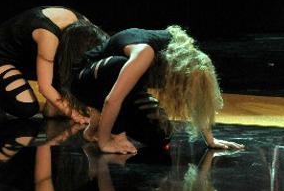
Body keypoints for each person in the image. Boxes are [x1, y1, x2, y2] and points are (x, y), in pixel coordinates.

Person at [71, 26, 243, 154]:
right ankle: (109, 133)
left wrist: (210, 140)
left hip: (105, 84)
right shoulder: (144, 52)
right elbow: (112, 99)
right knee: (120, 67)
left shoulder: (180, 50)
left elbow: (195, 94)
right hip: (82, 80)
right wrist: (107, 142)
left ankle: (94, 129)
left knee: (160, 134)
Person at [0, 7, 107, 123]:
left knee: (55, 111)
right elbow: (45, 87)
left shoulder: (88, 30)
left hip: (30, 56)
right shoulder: (48, 36)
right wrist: (74, 114)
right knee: (26, 107)